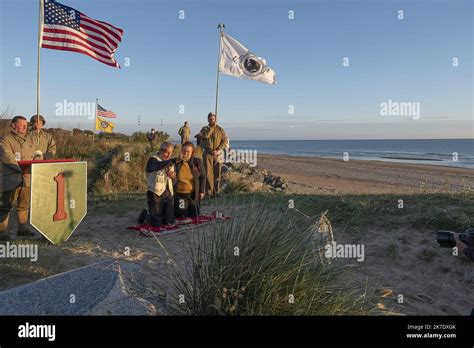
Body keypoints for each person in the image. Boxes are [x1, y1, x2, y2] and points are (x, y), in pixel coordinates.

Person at [0, 116, 37, 241]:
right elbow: (7, 157)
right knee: (6, 205)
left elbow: (37, 154)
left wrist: (34, 167)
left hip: (27, 177)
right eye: (22, 125)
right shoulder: (5, 139)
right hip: (11, 178)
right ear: (13, 125)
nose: (25, 127)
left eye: (26, 125)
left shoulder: (31, 139)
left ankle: (23, 228)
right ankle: (2, 231)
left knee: (24, 205)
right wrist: (22, 169)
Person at [138, 142, 178, 227]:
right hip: (154, 193)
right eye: (166, 152)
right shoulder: (152, 159)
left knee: (170, 222)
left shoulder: (170, 163)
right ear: (160, 150)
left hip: (168, 193)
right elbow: (158, 166)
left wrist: (173, 177)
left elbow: (174, 181)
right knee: (156, 223)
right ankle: (145, 215)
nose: (168, 155)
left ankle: (161, 215)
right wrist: (172, 161)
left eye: (170, 153)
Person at [198, 112, 227, 197]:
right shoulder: (204, 129)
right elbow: (204, 137)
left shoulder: (220, 129)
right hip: (207, 153)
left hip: (218, 153)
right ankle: (209, 192)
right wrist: (211, 129)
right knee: (208, 173)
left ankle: (216, 192)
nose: (212, 120)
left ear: (216, 119)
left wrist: (218, 149)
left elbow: (225, 140)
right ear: (208, 119)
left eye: (213, 119)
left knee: (217, 172)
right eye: (210, 119)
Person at [174, 142, 206, 218]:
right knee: (182, 216)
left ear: (192, 153)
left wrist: (202, 191)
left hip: (193, 194)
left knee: (194, 216)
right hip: (180, 195)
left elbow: (203, 177)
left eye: (188, 152)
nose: (185, 153)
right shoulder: (176, 162)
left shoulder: (198, 162)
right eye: (184, 151)